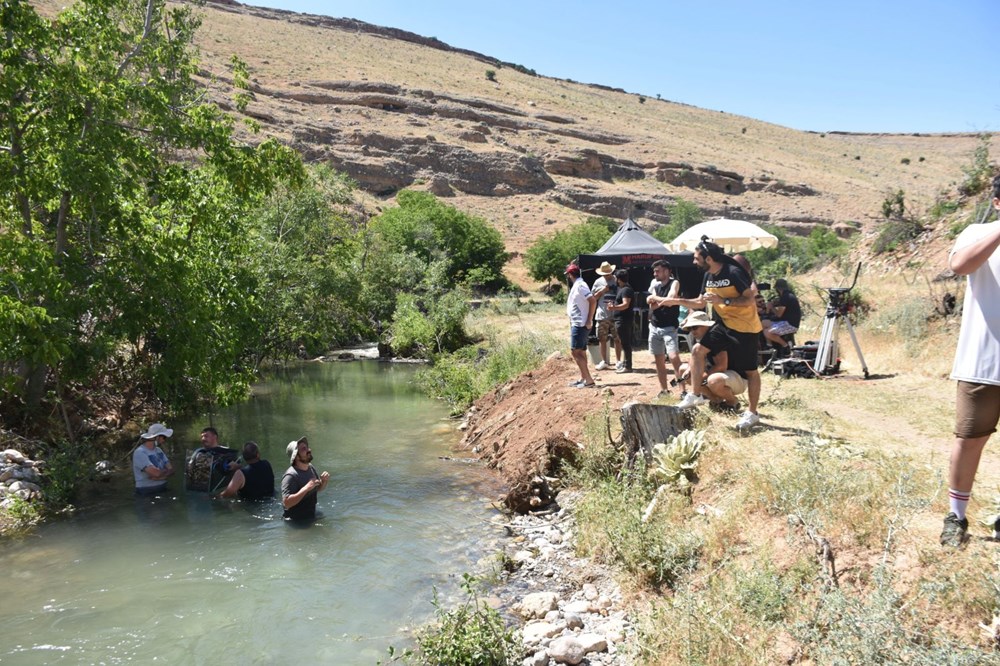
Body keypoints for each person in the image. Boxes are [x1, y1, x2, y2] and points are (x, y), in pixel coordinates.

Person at [940, 175, 1000, 547]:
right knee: (969, 437)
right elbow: (961, 264)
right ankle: (956, 516)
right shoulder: (977, 231)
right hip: (984, 360)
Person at [677, 237, 763, 430]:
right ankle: (695, 394)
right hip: (724, 324)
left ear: (708, 259)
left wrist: (723, 301)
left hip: (745, 327)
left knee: (751, 372)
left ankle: (752, 413)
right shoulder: (708, 276)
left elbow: (750, 300)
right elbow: (700, 302)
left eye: (696, 257)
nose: (693, 261)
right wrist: (671, 301)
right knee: (698, 350)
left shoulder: (733, 273)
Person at [676, 310, 746, 412]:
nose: (693, 331)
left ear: (706, 326)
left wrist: (702, 377)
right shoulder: (700, 339)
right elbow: (694, 359)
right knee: (683, 369)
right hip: (724, 375)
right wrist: (690, 370)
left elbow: (722, 366)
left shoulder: (715, 338)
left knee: (713, 380)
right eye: (690, 329)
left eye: (695, 327)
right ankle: (716, 401)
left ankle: (732, 401)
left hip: (738, 377)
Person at [645, 259, 683, 397]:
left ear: (667, 271)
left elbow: (671, 298)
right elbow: (652, 305)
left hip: (669, 327)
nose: (655, 274)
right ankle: (664, 390)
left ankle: (682, 390)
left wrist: (656, 298)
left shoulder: (674, 283)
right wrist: (663, 301)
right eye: (654, 271)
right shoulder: (656, 285)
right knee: (659, 361)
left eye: (658, 271)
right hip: (655, 326)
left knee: (674, 358)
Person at [281, 436, 330, 522]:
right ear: (296, 456)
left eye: (307, 447)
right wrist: (306, 488)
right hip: (296, 522)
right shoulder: (290, 476)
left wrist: (324, 481)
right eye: (304, 449)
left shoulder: (310, 467)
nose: (309, 450)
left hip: (310, 515)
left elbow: (317, 488)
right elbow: (287, 503)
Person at [564, 263, 597, 388]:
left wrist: (589, 319)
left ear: (570, 274)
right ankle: (584, 378)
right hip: (579, 322)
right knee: (581, 351)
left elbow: (592, 300)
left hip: (580, 323)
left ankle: (588, 380)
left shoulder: (580, 285)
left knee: (575, 352)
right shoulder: (578, 285)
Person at [591, 261, 621, 371]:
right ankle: (604, 361)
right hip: (602, 314)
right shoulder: (598, 282)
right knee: (602, 339)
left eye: (608, 273)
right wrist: (603, 290)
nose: (606, 275)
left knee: (617, 339)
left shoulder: (617, 280)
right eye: (604, 274)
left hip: (615, 315)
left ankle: (618, 361)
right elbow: (593, 297)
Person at [762, 279, 802, 357]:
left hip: (790, 324)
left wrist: (771, 307)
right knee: (763, 323)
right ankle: (770, 346)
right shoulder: (789, 295)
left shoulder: (785, 297)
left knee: (767, 332)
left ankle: (785, 346)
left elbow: (779, 314)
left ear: (778, 288)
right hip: (785, 322)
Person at [133, 423, 175, 495]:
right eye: (164, 437)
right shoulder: (140, 453)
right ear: (157, 437)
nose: (165, 440)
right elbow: (156, 473)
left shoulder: (158, 450)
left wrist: (161, 477)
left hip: (162, 489)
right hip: (146, 492)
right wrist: (165, 472)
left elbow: (172, 470)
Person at [606, 269, 634, 373]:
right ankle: (626, 363)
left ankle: (628, 366)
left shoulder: (626, 290)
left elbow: (625, 304)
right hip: (621, 319)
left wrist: (614, 308)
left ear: (618, 279)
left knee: (625, 343)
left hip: (623, 320)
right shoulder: (622, 289)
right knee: (624, 342)